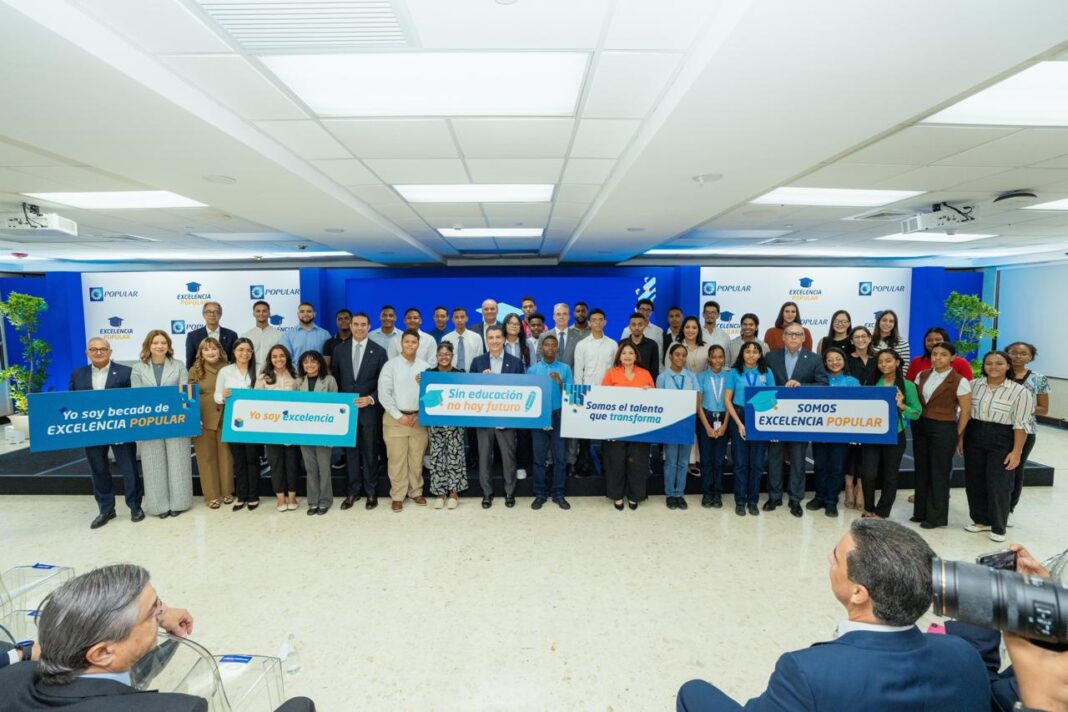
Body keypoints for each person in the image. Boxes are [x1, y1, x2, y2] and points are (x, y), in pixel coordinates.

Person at [676, 519, 990, 712]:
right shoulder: (964, 655)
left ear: (858, 593)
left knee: (693, 692)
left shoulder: (806, 673)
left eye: (837, 558)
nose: (829, 558)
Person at [0, 563, 315, 712]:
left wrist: (157, 614)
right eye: (152, 611)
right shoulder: (176, 709)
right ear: (102, 653)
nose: (161, 614)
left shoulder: (10, 679)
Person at [69, 338, 143, 529]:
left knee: (129, 469)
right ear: (87, 352)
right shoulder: (78, 374)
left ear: (110, 352)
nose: (98, 352)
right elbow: (72, 403)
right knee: (99, 470)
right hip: (92, 431)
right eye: (93, 349)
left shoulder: (126, 372)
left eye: (103, 349)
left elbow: (134, 401)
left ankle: (135, 506)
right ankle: (106, 509)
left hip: (121, 430)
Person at [963, 351, 1033, 543]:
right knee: (974, 479)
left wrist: (1017, 451)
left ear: (1008, 366)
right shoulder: (973, 385)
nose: (993, 367)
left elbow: (1022, 424)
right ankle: (980, 520)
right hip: (974, 433)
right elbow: (965, 413)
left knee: (999, 482)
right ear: (983, 366)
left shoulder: (1020, 391)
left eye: (999, 363)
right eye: (989, 363)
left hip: (1002, 436)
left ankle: (998, 526)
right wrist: (960, 439)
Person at [765, 323, 828, 517]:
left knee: (798, 459)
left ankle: (795, 499)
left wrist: (801, 385)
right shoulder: (770, 357)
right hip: (775, 416)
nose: (793, 337)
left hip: (800, 419)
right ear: (783, 337)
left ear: (803, 338)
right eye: (790, 334)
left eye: (798, 334)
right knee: (774, 458)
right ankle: (774, 496)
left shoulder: (815, 359)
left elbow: (823, 384)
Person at [131, 330, 193, 519]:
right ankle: (158, 506)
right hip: (150, 423)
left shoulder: (179, 366)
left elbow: (185, 394)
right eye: (155, 343)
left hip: (177, 422)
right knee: (152, 464)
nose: (159, 346)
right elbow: (136, 397)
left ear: (168, 346)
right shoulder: (138, 368)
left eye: (163, 343)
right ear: (148, 346)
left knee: (179, 462)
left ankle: (180, 503)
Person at [331, 312, 388, 511]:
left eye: (363, 324)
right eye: (356, 324)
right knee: (351, 453)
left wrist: (371, 398)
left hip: (369, 410)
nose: (359, 328)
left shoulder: (379, 351)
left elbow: (384, 383)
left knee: (370, 453)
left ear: (369, 326)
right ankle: (353, 491)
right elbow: (336, 379)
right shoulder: (340, 350)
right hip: (346, 411)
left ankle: (371, 492)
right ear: (351, 326)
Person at [911, 342, 970, 529]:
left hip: (944, 428)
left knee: (939, 472)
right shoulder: (922, 375)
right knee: (922, 469)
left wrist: (956, 434)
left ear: (952, 358)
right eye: (934, 354)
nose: (938, 358)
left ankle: (936, 517)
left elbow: (966, 412)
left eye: (943, 354)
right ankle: (920, 512)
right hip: (921, 426)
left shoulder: (960, 381)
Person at [860, 348, 920, 519]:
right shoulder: (871, 383)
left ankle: (882, 512)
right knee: (868, 473)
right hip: (872, 435)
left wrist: (902, 406)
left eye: (888, 361)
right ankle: (869, 508)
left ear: (897, 362)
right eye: (880, 362)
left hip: (895, 435)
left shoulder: (907, 385)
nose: (883, 364)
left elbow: (916, 413)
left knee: (890, 475)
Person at [470, 324, 525, 509]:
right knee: (484, 457)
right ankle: (487, 493)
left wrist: (511, 418)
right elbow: (469, 390)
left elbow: (521, 392)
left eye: (498, 337)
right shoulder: (478, 362)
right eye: (491, 338)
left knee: (508, 457)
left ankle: (510, 492)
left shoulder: (515, 362)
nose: (494, 341)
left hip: (506, 419)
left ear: (504, 339)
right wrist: (481, 379)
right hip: (484, 419)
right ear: (486, 340)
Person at [378, 329, 431, 513]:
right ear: (401, 343)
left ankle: (416, 492)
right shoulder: (390, 366)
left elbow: (431, 394)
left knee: (416, 459)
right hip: (395, 420)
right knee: (396, 460)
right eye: (407, 341)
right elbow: (384, 394)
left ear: (418, 344)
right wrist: (399, 416)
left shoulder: (425, 367)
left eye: (414, 342)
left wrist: (421, 414)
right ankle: (398, 495)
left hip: (418, 419)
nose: (410, 345)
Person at [724, 341, 776, 517]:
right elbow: (727, 400)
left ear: (760, 355)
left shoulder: (766, 372)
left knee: (757, 463)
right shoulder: (734, 372)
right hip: (739, 416)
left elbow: (773, 398)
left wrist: (766, 418)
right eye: (747, 351)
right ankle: (740, 501)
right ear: (742, 354)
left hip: (760, 418)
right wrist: (739, 423)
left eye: (755, 351)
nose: (751, 354)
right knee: (740, 463)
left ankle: (753, 501)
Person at [602, 342, 655, 511]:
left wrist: (649, 393)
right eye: (624, 353)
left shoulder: (645, 374)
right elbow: (602, 399)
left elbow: (655, 400)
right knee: (616, 462)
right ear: (619, 356)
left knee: (637, 463)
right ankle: (617, 495)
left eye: (631, 353)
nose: (627, 356)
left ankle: (635, 495)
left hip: (640, 427)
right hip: (616, 427)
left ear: (636, 356)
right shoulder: (611, 373)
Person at [808, 348, 859, 518]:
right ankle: (819, 497)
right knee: (820, 465)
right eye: (829, 360)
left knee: (837, 468)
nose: (834, 363)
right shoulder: (819, 380)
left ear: (844, 360)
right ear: (824, 363)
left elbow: (858, 407)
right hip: (819, 431)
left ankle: (831, 501)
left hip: (841, 433)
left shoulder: (852, 382)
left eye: (838, 359)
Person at [1005, 341, 1050, 525]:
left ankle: (1009, 509)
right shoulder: (999, 373)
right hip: (998, 429)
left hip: (1025, 430)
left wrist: (1021, 407)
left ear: (1030, 357)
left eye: (1023, 353)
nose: (1018, 356)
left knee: (1015, 468)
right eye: (1013, 352)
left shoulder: (1038, 378)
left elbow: (1043, 409)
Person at [527, 334, 573, 510]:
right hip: (539, 417)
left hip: (558, 415)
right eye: (547, 345)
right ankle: (540, 494)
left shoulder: (565, 369)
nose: (550, 348)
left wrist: (560, 382)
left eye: (554, 345)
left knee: (560, 458)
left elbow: (570, 396)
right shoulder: (532, 370)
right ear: (541, 348)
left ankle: (558, 494)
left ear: (558, 349)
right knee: (539, 458)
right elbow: (528, 396)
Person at [214, 337, 260, 511]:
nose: (244, 353)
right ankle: (242, 496)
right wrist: (223, 396)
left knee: (252, 458)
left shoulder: (260, 370)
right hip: (234, 421)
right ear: (234, 352)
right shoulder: (225, 371)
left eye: (248, 350)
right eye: (241, 350)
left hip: (254, 421)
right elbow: (216, 396)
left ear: (252, 353)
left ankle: (253, 496)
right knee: (239, 460)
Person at [187, 338, 233, 510]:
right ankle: (212, 495)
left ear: (220, 350)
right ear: (201, 353)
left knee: (226, 456)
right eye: (206, 349)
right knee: (206, 458)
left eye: (214, 348)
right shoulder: (194, 370)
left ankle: (227, 492)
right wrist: (193, 418)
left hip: (226, 417)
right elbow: (189, 396)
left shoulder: (229, 368)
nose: (211, 352)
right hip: (203, 418)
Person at [423, 341, 468, 509]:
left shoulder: (460, 374)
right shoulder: (429, 374)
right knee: (437, 455)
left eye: (447, 354)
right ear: (436, 356)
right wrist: (419, 382)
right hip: (435, 422)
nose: (444, 357)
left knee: (455, 455)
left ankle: (454, 492)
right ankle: (440, 492)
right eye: (441, 354)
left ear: (452, 356)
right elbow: (425, 397)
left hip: (455, 422)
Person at [573, 308, 616, 476]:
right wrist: (578, 397)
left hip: (607, 394)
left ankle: (607, 465)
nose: (597, 323)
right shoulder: (582, 345)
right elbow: (578, 372)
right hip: (586, 394)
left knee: (606, 432)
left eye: (600, 319)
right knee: (585, 433)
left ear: (605, 322)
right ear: (589, 323)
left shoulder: (613, 344)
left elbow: (615, 370)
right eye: (594, 320)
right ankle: (584, 463)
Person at [256, 344, 299, 513]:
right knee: (276, 463)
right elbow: (256, 402)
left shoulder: (295, 376)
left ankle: (292, 496)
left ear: (287, 357)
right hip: (271, 427)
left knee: (292, 463)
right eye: (274, 356)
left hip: (292, 428)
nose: (278, 359)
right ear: (270, 359)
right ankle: (280, 497)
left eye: (281, 355)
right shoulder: (263, 378)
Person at [657, 343, 698, 510]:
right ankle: (669, 494)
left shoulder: (691, 377)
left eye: (683, 355)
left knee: (683, 462)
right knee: (671, 461)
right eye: (677, 354)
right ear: (670, 356)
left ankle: (679, 493)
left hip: (687, 423)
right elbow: (658, 401)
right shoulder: (663, 377)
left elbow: (697, 398)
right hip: (670, 424)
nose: (680, 358)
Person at [296, 350, 337, 515]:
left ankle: (325, 501)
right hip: (304, 431)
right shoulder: (298, 382)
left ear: (320, 364)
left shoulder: (329, 380)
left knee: (324, 468)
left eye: (313, 361)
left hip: (323, 431)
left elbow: (335, 406)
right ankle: (313, 501)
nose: (310, 365)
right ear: (302, 365)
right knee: (310, 468)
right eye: (306, 362)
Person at [844, 326, 876, 508]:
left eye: (864, 336)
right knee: (850, 450)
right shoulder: (846, 359)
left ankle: (861, 488)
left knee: (867, 451)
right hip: (849, 411)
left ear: (870, 338)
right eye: (856, 337)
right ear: (851, 340)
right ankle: (849, 486)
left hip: (872, 412)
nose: (861, 339)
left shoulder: (878, 359)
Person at [696, 345, 730, 508]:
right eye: (714, 357)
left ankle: (717, 493)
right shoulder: (701, 377)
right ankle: (707, 492)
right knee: (706, 459)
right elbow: (698, 405)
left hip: (724, 418)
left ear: (724, 358)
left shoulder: (729, 377)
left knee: (719, 459)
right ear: (709, 359)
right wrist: (707, 427)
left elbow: (730, 403)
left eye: (720, 357)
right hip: (706, 419)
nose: (717, 360)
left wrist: (724, 425)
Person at [905, 326, 972, 380]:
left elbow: (968, 386)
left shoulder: (961, 363)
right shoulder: (916, 362)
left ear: (946, 341)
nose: (934, 342)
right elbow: (909, 385)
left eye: (938, 339)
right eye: (929, 340)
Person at [184, 301, 237, 368]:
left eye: (216, 312)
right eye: (208, 312)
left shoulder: (232, 335)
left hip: (226, 373)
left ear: (220, 315)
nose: (212, 314)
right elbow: (190, 362)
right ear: (203, 314)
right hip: (201, 373)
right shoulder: (192, 336)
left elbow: (234, 360)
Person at [540, 302, 583, 368]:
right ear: (553, 317)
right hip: (549, 374)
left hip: (570, 374)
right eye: (558, 314)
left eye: (564, 314)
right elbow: (540, 359)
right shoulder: (543, 336)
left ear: (569, 317)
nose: (561, 317)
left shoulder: (578, 338)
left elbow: (580, 362)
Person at [441, 305, 484, 371]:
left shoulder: (476, 337)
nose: (459, 320)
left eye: (462, 317)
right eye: (456, 317)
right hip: (450, 375)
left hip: (471, 375)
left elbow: (479, 360)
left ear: (467, 318)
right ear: (452, 319)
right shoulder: (445, 339)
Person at [622, 311, 660, 381]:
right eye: (633, 324)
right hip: (624, 383)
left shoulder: (652, 345)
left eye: (640, 324)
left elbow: (655, 370)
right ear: (629, 326)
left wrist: (651, 385)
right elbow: (618, 366)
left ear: (645, 325)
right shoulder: (622, 344)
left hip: (645, 384)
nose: (637, 327)